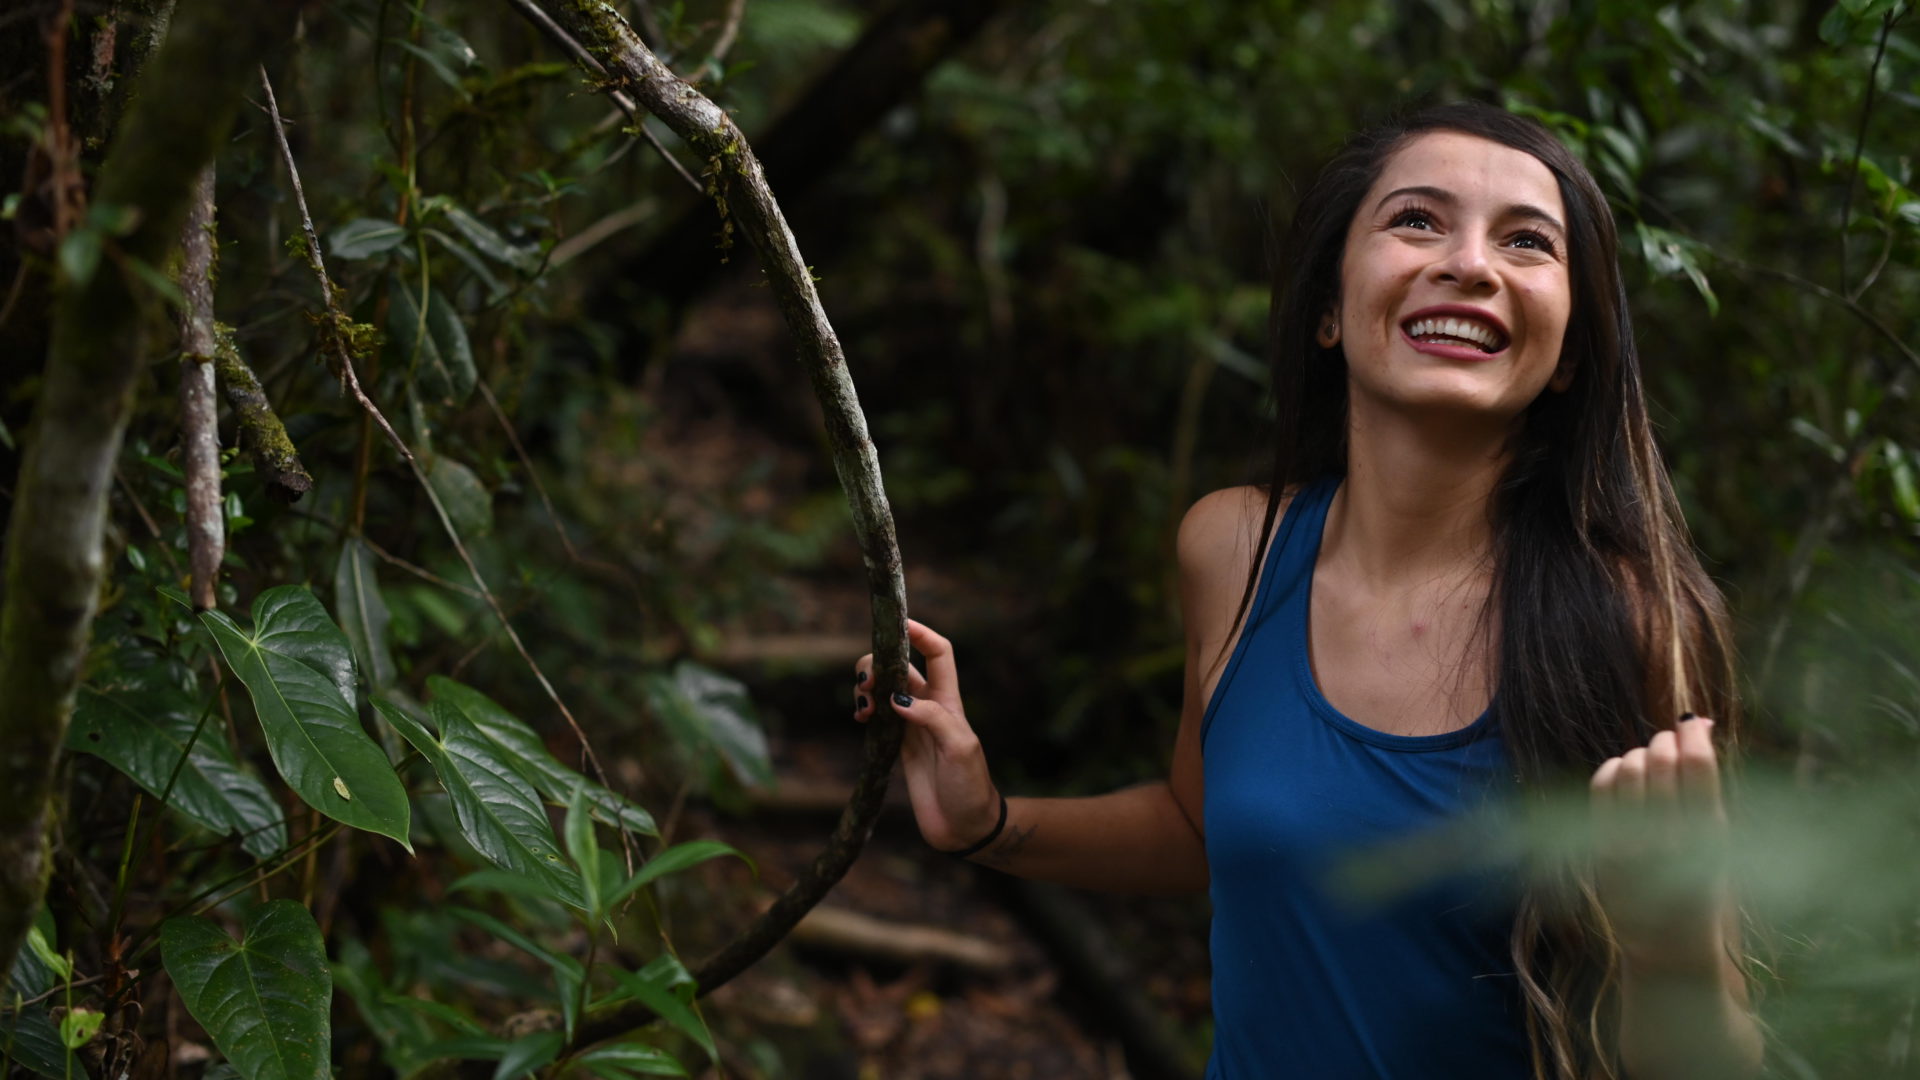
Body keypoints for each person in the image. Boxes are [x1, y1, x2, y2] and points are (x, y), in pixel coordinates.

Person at [850, 100, 1763, 1079]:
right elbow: (1201, 828)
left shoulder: (1633, 621)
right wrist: (989, 823)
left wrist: (1674, 948)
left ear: (1571, 349)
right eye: (1418, 220)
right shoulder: (1232, 550)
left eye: (1527, 241)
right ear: (1329, 307)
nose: (1470, 264)